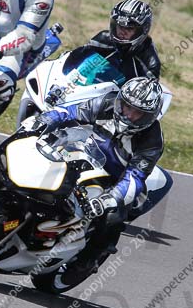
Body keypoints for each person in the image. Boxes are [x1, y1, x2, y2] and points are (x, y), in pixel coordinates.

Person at [24, 76, 171, 274]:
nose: (129, 114)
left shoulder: (152, 140)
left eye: (137, 113)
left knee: (113, 216)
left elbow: (135, 176)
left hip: (113, 179)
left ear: (149, 116)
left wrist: (110, 199)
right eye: (127, 106)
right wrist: (47, 119)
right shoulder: (106, 103)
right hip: (83, 156)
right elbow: (71, 111)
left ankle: (88, 259)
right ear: (120, 100)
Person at [66, 0, 161, 83]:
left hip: (119, 99)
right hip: (88, 89)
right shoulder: (102, 39)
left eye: (129, 29)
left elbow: (146, 93)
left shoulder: (150, 61)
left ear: (143, 29)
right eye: (120, 26)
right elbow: (76, 58)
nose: (122, 32)